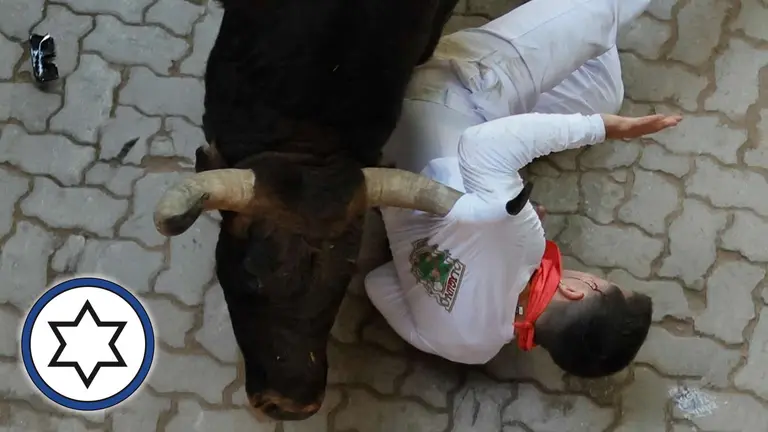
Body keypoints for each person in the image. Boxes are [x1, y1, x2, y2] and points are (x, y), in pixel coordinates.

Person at [363, 0, 683, 378]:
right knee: (600, 90)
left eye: (601, 280)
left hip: (442, 93)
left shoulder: (523, 239)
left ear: (581, 290)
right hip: (396, 151)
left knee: (598, 14)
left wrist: (601, 128)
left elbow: (484, 146)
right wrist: (435, 244)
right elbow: (378, 282)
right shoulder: (470, 349)